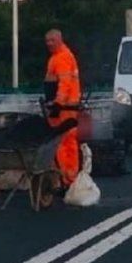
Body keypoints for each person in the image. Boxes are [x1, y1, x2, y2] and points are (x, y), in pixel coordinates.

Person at [44, 29, 82, 187]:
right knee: (66, 142)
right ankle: (67, 177)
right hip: (66, 107)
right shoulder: (59, 56)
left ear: (60, 39)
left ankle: (67, 178)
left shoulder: (62, 58)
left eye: (52, 40)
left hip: (65, 108)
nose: (49, 43)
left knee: (62, 142)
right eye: (47, 41)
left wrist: (57, 103)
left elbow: (64, 83)